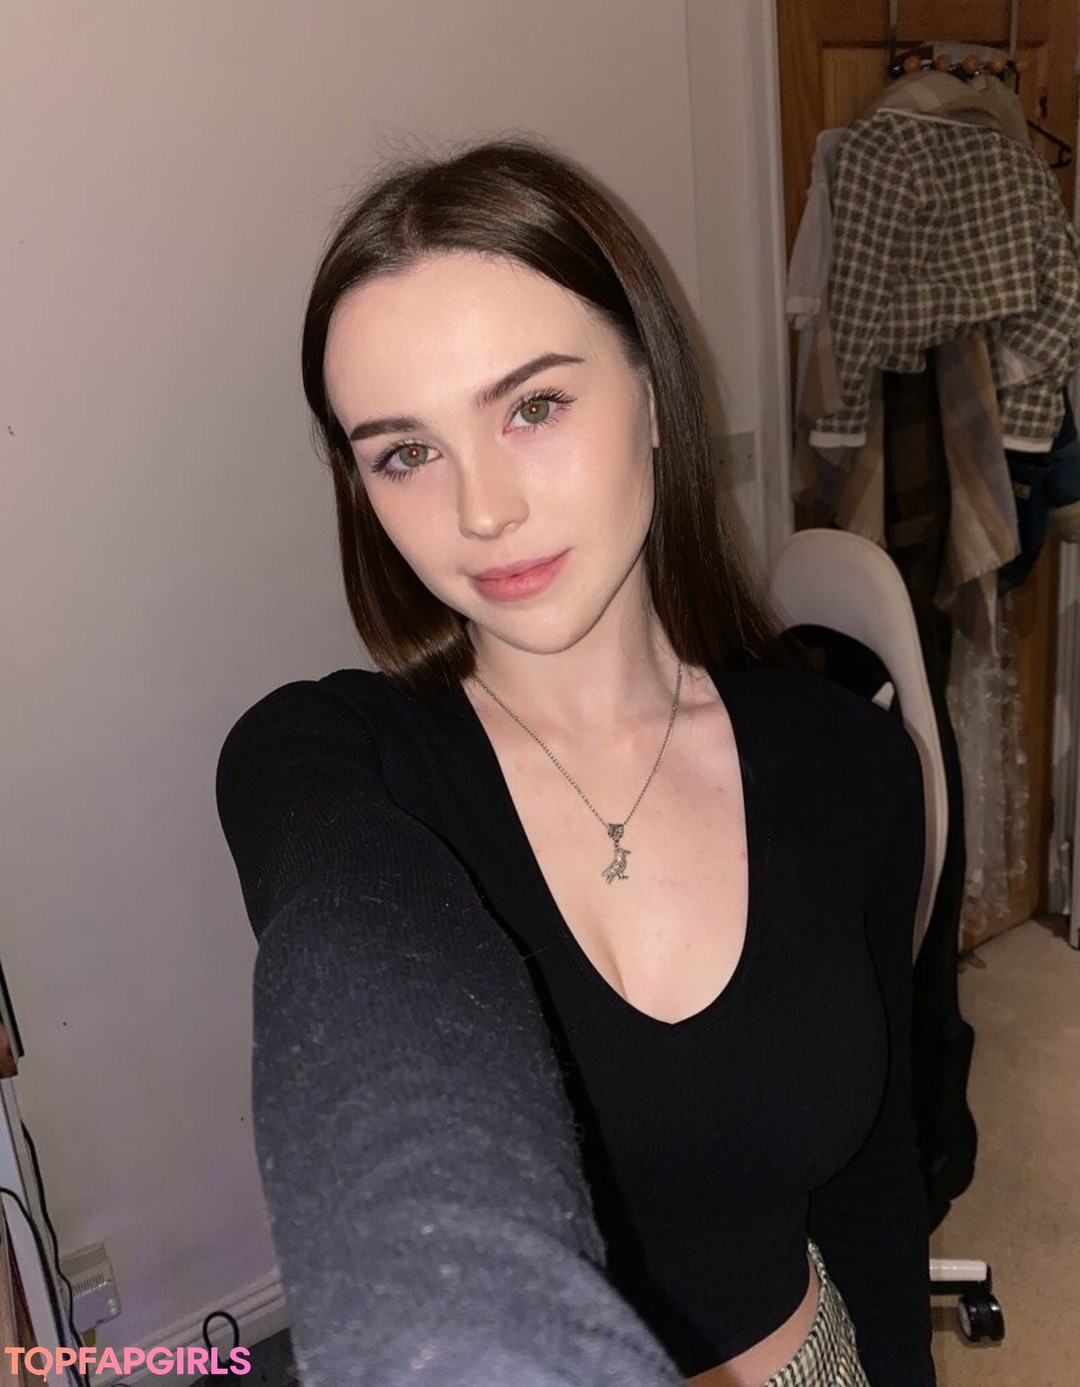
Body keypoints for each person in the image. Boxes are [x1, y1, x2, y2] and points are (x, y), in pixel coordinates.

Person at [216, 139, 934, 1387]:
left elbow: (877, 1180)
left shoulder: (853, 761)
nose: (482, 509)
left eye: (533, 406)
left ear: (652, 394)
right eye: (404, 452)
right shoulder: (338, 765)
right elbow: (354, 976)